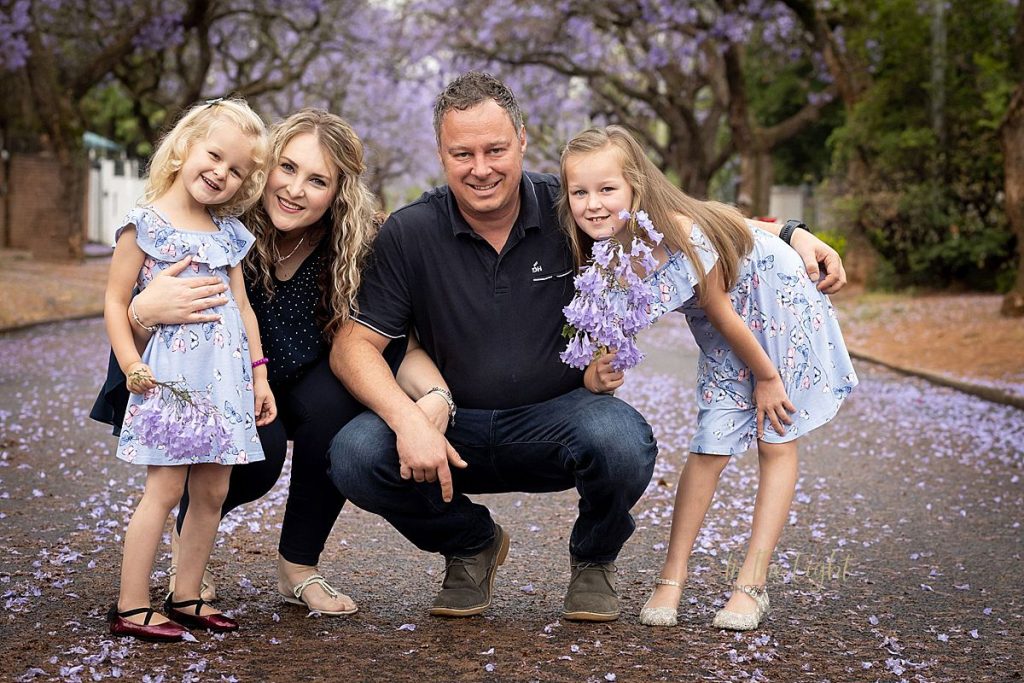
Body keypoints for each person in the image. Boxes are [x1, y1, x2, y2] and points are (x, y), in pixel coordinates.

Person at [327, 72, 848, 623]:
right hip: (454, 428)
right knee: (356, 454)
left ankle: (595, 559)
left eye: (495, 149)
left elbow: (678, 215)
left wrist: (789, 233)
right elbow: (352, 348)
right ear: (440, 153)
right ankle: (471, 543)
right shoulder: (409, 233)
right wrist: (408, 419)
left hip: (558, 422)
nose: (481, 168)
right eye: (463, 153)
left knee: (620, 441)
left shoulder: (573, 208)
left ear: (522, 141)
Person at [92, 108, 406, 619]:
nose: (295, 190)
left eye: (318, 180)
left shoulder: (351, 243)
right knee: (254, 457)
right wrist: (143, 312)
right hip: (206, 381)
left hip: (282, 381)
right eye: (288, 168)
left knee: (337, 405)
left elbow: (395, 329)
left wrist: (432, 398)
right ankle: (175, 564)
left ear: (338, 193)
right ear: (266, 169)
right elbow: (124, 315)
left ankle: (298, 566)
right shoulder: (211, 221)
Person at [560, 125, 858, 630]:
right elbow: (602, 347)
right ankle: (671, 578)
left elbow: (722, 310)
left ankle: (751, 585)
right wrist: (597, 377)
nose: (593, 204)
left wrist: (767, 379)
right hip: (725, 334)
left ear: (635, 186)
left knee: (776, 434)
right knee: (709, 445)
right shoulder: (602, 263)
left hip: (774, 301)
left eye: (607, 189)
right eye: (579, 192)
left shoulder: (678, 233)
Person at [104, 98, 272, 641]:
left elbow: (242, 308)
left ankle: (187, 594)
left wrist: (259, 375)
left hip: (225, 384)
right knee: (164, 491)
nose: (221, 173)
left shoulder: (228, 233)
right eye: (214, 155)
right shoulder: (144, 226)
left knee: (213, 492)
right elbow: (115, 302)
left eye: (236, 170)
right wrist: (131, 364)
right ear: (184, 146)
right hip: (173, 382)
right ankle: (131, 605)